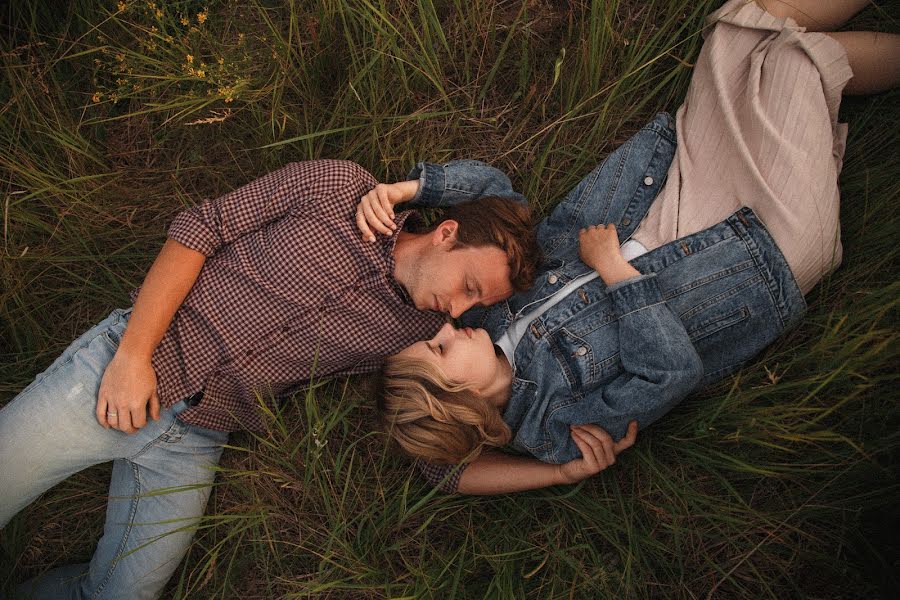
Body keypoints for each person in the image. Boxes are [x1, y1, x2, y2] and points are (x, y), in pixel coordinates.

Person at [364, 0, 900, 495]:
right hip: (753, 255)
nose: (442, 327)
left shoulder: (488, 309)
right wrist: (613, 272)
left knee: (741, 28)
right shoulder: (558, 426)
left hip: (679, 179)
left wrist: (413, 189)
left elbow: (497, 197)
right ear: (462, 402)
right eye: (439, 351)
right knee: (788, 61)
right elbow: (671, 372)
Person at [0, 160, 541, 598]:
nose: (460, 309)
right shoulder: (339, 188)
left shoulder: (422, 332)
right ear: (446, 233)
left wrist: (560, 470)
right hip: (122, 367)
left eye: (478, 304)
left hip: (195, 438)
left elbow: (435, 439)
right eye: (469, 285)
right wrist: (133, 356)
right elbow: (201, 227)